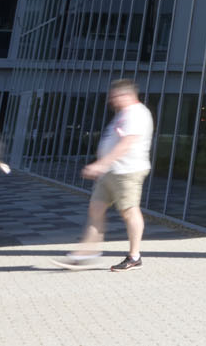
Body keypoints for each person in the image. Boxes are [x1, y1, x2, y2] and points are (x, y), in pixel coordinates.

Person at [56, 79, 154, 272]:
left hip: (127, 171)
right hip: (110, 171)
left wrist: (101, 164)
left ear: (127, 95)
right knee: (96, 210)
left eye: (115, 96)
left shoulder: (137, 114)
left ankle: (134, 257)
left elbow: (127, 143)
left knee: (130, 211)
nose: (112, 100)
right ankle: (88, 252)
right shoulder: (123, 114)